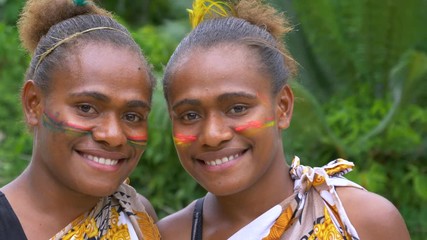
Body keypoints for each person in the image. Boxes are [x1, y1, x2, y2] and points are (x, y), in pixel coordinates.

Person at [157, 0, 411, 239]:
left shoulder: (362, 221)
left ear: (283, 107)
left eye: (237, 108)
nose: (212, 135)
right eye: (190, 115)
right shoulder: (170, 235)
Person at [0, 0, 160, 239]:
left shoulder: (136, 215)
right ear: (34, 103)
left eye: (131, 116)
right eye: (86, 108)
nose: (113, 135)